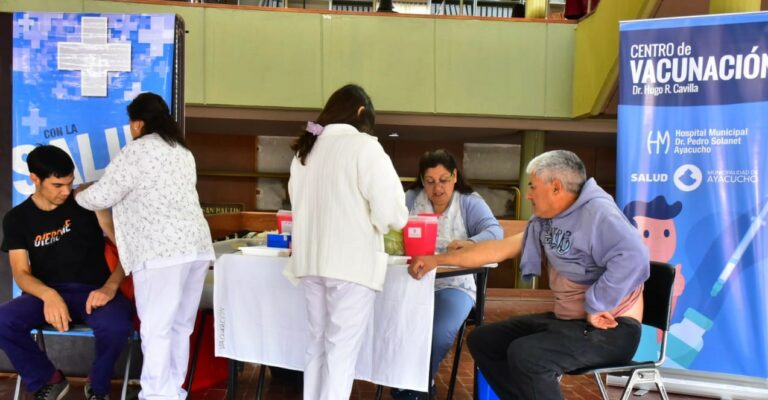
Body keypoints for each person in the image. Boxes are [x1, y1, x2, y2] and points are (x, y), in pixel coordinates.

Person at [408, 150, 649, 400]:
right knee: (483, 340)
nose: (529, 194)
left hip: (613, 330)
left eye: (533, 187)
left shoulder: (598, 212)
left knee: (528, 356)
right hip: (569, 322)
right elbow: (496, 249)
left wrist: (598, 303)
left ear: (556, 188)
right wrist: (436, 260)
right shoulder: (546, 220)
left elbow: (634, 255)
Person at [75, 92, 214, 400]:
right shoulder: (182, 151)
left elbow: (103, 195)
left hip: (160, 252)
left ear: (138, 123)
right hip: (196, 248)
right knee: (180, 327)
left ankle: (154, 395)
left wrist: (79, 194)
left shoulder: (138, 151)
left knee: (156, 328)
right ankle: (173, 392)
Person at [284, 84, 408, 400]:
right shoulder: (364, 147)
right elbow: (392, 212)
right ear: (361, 112)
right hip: (351, 265)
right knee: (340, 352)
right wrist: (382, 224)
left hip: (310, 263)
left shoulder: (305, 152)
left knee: (316, 346)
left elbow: (296, 204)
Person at [0, 145, 134, 400]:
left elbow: (127, 251)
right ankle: (48, 379)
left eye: (70, 183)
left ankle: (98, 385)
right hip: (46, 294)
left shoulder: (86, 202)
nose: (66, 191)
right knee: (2, 321)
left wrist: (110, 286)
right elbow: (21, 273)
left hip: (94, 292)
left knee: (116, 326)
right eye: (57, 185)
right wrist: (49, 295)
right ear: (35, 179)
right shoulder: (17, 219)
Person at [393, 149, 502, 399]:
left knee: (439, 331)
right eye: (430, 182)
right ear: (422, 180)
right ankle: (404, 380)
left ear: (454, 176)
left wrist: (472, 242)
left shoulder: (468, 202)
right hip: (412, 282)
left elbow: (495, 232)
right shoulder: (410, 198)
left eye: (443, 180)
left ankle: (415, 385)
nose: (437, 188)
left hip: (455, 284)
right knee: (393, 325)